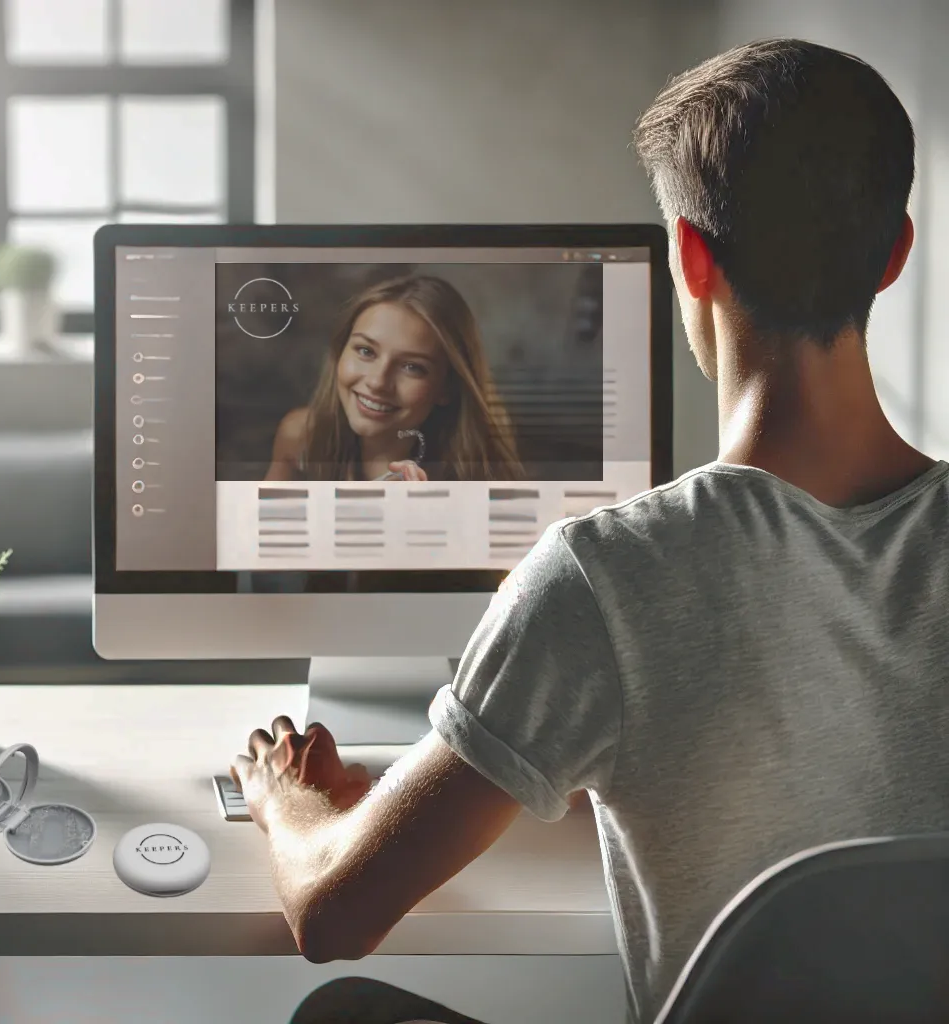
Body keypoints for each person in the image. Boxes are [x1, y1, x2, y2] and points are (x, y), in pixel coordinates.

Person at [232, 38, 949, 1024]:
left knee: (343, 1009)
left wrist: (285, 801)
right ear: (895, 252)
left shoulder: (602, 575)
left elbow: (331, 909)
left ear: (689, 257)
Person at [263, 275, 523, 482]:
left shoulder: (482, 476)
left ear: (447, 388)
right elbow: (256, 537)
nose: (378, 382)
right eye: (366, 351)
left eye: (412, 367)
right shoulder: (300, 435)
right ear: (340, 352)